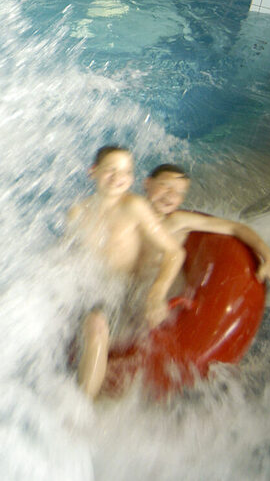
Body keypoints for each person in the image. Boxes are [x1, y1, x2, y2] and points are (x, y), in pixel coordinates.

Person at [67, 146, 184, 400]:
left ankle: (78, 411)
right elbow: (67, 259)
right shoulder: (77, 213)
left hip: (120, 290)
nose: (118, 177)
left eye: (126, 172)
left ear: (132, 179)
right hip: (89, 287)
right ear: (93, 172)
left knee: (96, 325)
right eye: (111, 170)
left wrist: (157, 293)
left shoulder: (134, 207)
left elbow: (175, 252)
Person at [144, 164, 270, 301]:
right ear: (147, 183)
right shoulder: (129, 211)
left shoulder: (179, 221)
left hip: (161, 294)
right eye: (165, 185)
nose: (171, 196)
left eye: (179, 192)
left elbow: (236, 228)